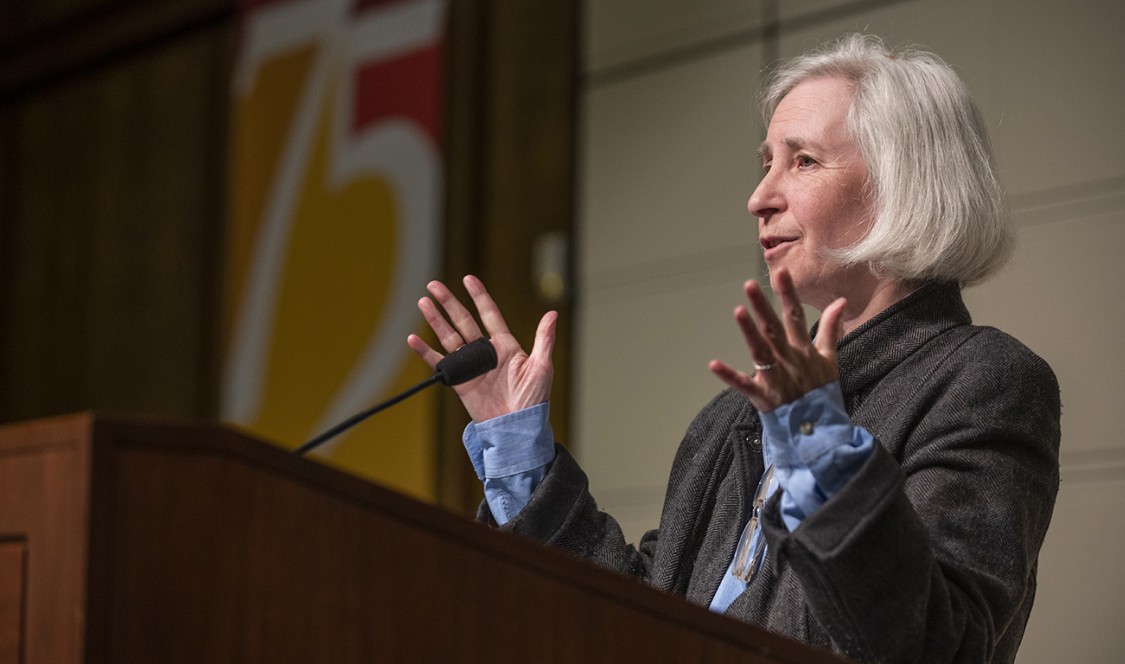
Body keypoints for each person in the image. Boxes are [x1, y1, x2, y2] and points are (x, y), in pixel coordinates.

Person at [407, 33, 1060, 664]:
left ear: (903, 183)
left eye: (801, 160)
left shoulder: (984, 381)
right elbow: (642, 616)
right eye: (765, 162)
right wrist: (519, 452)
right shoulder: (730, 418)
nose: (758, 197)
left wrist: (824, 454)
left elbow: (935, 648)